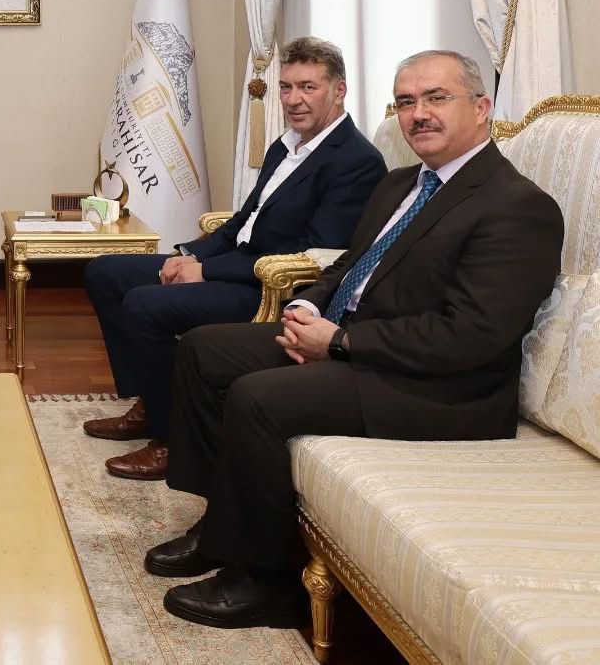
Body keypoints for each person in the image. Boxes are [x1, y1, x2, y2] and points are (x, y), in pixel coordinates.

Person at [146, 50, 564, 629]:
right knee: (204, 348)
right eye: (406, 102)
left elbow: (472, 336)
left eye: (436, 98)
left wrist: (340, 342)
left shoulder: (517, 206)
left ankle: (264, 583)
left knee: (257, 397)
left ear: (481, 107)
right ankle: (219, 528)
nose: (418, 113)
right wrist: (303, 308)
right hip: (360, 345)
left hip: (441, 389)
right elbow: (348, 267)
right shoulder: (400, 185)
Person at [83, 38, 385, 480]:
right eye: (286, 87)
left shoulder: (356, 161)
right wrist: (188, 254)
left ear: (339, 91)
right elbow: (244, 221)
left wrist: (204, 271)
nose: (293, 100)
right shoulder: (286, 145)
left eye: (308, 87)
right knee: (105, 272)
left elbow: (315, 254)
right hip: (235, 264)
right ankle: (152, 400)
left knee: (144, 305)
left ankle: (173, 439)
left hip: (271, 287)